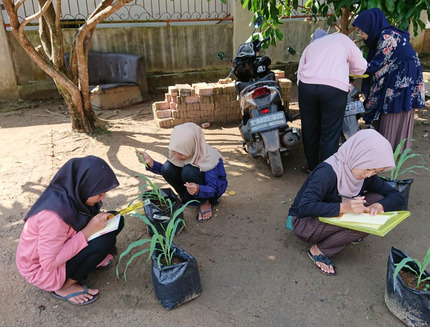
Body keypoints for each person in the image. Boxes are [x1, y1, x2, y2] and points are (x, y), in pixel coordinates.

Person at [287, 129, 405, 275]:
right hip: (304, 222)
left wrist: (379, 205)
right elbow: (304, 207)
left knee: (378, 200)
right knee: (362, 225)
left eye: (375, 172)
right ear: (358, 155)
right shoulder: (328, 172)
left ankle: (345, 233)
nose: (369, 175)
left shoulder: (363, 173)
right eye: (368, 168)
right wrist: (344, 207)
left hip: (329, 213)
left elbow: (396, 196)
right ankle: (319, 251)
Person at [16, 156, 123, 305]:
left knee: (115, 219)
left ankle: (85, 263)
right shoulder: (53, 217)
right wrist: (87, 232)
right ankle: (64, 286)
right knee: (104, 241)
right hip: (43, 270)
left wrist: (91, 227)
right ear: (84, 186)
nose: (103, 197)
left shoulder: (71, 195)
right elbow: (48, 263)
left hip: (60, 247)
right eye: (99, 193)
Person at [352, 8, 426, 151]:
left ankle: (388, 149)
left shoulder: (387, 37)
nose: (361, 35)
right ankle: (390, 148)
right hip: (400, 75)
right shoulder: (384, 35)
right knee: (391, 107)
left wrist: (351, 69)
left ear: (371, 26)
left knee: (394, 107)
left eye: (361, 31)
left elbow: (375, 66)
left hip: (403, 77)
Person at [297, 28, 368, 174]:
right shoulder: (343, 39)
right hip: (334, 89)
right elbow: (361, 67)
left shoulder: (311, 46)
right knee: (330, 133)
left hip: (307, 86)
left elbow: (300, 72)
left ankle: (312, 167)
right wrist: (346, 70)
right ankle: (325, 174)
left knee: (309, 129)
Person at [137, 122, 228, 222]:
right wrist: (151, 163)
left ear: (192, 147)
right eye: (175, 152)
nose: (177, 156)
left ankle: (205, 202)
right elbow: (169, 172)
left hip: (209, 190)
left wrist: (198, 189)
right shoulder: (177, 151)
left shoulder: (210, 158)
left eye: (181, 153)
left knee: (188, 171)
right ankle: (185, 197)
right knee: (168, 167)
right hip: (191, 186)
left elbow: (213, 188)